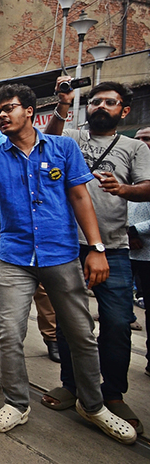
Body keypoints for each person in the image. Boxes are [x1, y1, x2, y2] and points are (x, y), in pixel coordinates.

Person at [0, 83, 136, 444]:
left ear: (29, 111)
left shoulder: (62, 147)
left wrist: (96, 247)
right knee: (9, 332)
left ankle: (92, 405)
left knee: (80, 333)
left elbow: (80, 196)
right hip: (14, 257)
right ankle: (17, 402)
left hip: (60, 253)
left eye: (8, 108)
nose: (1, 115)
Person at [42, 78, 150, 433]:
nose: (101, 107)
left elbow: (147, 187)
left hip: (114, 247)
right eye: (95, 102)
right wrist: (63, 103)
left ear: (124, 110)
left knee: (118, 323)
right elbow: (49, 138)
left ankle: (113, 393)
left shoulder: (135, 148)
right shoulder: (72, 137)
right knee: (73, 321)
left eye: (110, 102)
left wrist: (125, 188)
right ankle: (72, 385)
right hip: (67, 245)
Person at [128, 127, 150, 378]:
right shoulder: (129, 172)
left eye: (146, 139)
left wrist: (136, 230)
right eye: (138, 139)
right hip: (126, 248)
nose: (142, 144)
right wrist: (128, 233)